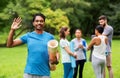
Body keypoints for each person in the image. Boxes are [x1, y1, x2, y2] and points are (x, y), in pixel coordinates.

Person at [6, 13, 59, 78]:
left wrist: (56, 60)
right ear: (33, 23)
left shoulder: (50, 37)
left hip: (44, 73)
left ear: (44, 23)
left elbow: (56, 52)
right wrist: (12, 30)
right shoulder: (28, 36)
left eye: (41, 21)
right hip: (29, 73)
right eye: (37, 21)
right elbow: (9, 44)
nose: (39, 23)